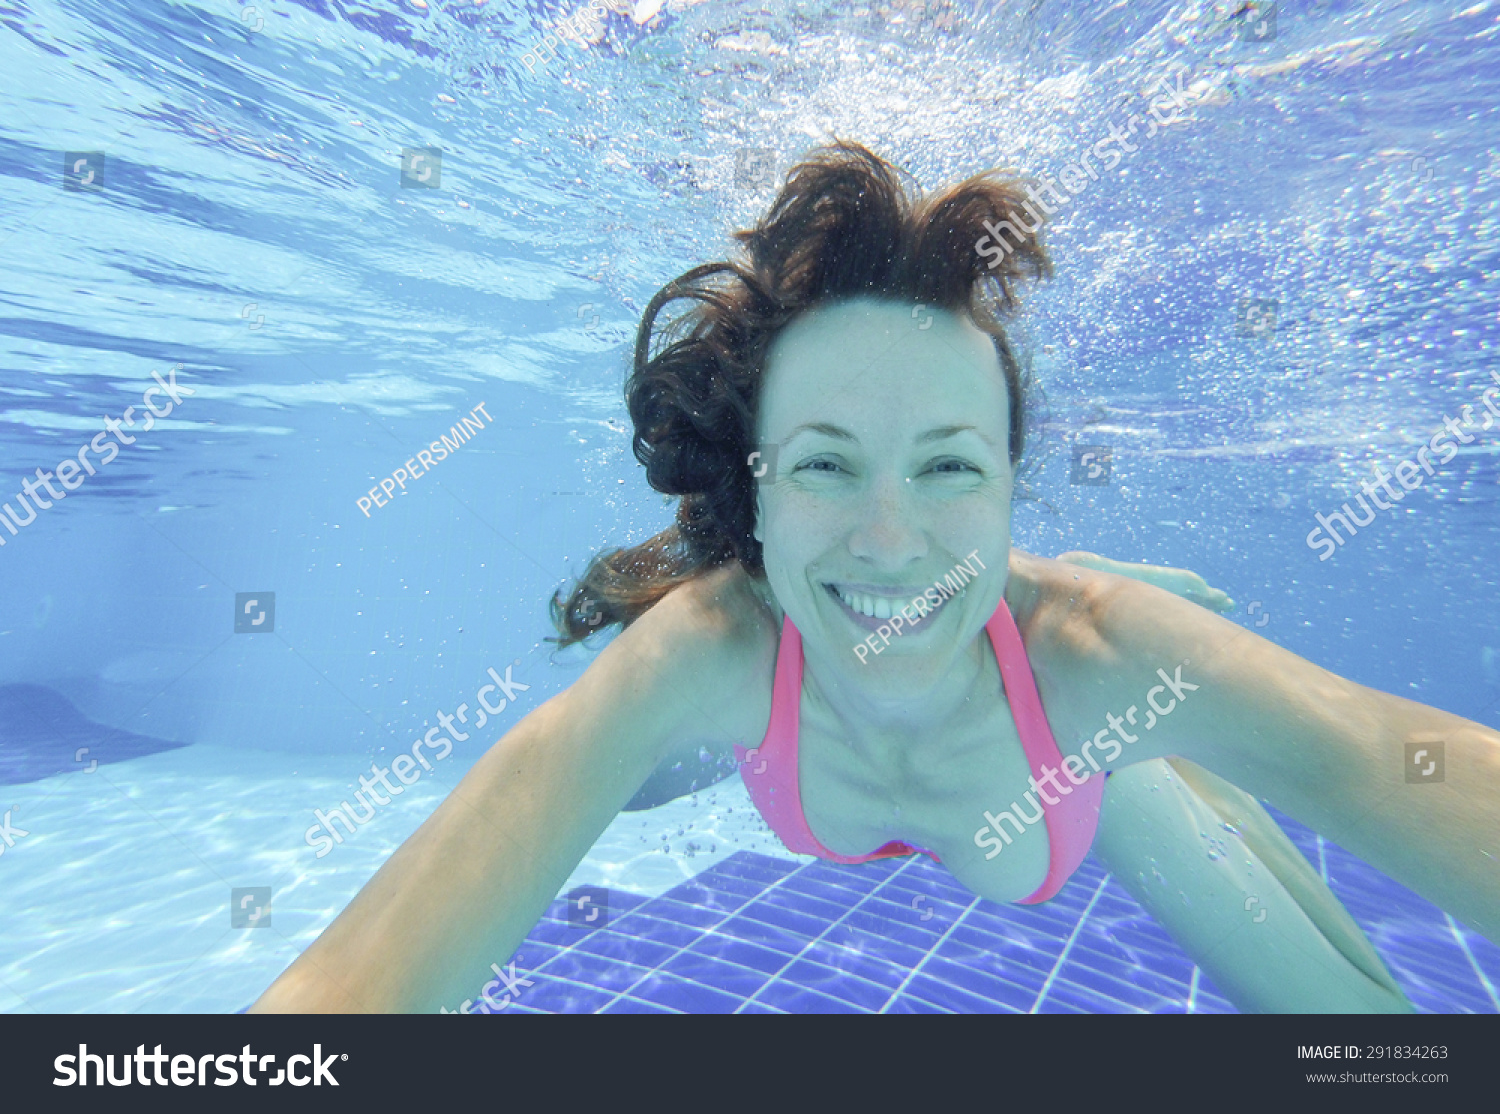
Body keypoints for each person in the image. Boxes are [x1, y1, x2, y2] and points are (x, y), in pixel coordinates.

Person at [254, 142, 1498, 1014]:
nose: (891, 538)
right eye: (827, 465)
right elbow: (434, 906)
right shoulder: (710, 645)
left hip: (1056, 747)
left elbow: (1375, 755)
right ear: (755, 487)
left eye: (952, 467)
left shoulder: (1104, 663)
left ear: (1014, 487)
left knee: (1335, 1014)